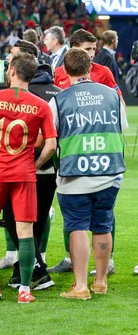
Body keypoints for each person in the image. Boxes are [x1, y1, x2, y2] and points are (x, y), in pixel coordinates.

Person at [0, 52, 57, 303]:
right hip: (24, 174)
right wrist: (35, 163)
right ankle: (25, 290)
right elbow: (50, 145)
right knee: (25, 229)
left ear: (11, 72)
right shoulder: (40, 105)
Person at [51, 48, 127, 299]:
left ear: (65, 70)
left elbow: (51, 136)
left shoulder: (60, 99)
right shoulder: (113, 95)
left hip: (75, 175)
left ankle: (81, 285)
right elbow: (122, 127)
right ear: (90, 67)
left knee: (78, 227)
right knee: (103, 224)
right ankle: (101, 281)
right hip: (108, 171)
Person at [0, 40, 61, 291]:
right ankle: (21, 270)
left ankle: (37, 270)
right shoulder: (57, 91)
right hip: (51, 168)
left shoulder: (22, 94)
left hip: (22, 167)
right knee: (34, 221)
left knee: (15, 219)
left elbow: (37, 138)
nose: (7, 63)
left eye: (12, 58)